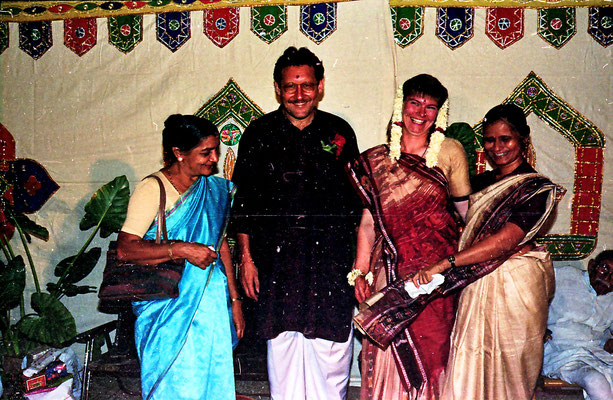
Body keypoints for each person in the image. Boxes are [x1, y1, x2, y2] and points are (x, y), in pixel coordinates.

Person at [404, 103, 564, 400]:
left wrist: (446, 263)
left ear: (523, 139)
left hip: (516, 289)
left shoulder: (537, 189)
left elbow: (506, 241)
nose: (497, 147)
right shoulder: (477, 184)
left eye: (506, 139)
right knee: (470, 359)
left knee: (510, 366)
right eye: (490, 140)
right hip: (477, 284)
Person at [230, 46, 362, 400]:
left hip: (330, 259)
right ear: (277, 88)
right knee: (283, 343)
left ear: (320, 86)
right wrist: (246, 258)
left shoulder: (339, 132)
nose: (299, 95)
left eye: (306, 85)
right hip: (276, 260)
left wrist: (358, 263)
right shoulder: (259, 134)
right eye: (290, 86)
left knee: (331, 344)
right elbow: (244, 203)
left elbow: (357, 204)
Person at [348, 74, 471, 399]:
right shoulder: (376, 159)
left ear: (439, 114)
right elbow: (368, 223)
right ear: (400, 106)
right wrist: (360, 272)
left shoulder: (450, 152)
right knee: (384, 357)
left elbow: (466, 215)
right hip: (389, 270)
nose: (420, 113)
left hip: (435, 276)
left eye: (430, 107)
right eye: (414, 103)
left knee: (433, 357)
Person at [116, 114, 245, 400]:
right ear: (178, 153)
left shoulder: (214, 190)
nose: (214, 159)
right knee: (174, 385)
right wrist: (182, 249)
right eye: (205, 152)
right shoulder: (153, 189)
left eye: (215, 150)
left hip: (211, 308)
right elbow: (126, 249)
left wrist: (235, 302)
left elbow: (220, 242)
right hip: (167, 306)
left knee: (212, 384)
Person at [542, 250, 613, 400]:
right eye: (604, 268)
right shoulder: (562, 277)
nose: (607, 278)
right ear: (591, 266)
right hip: (563, 353)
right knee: (596, 383)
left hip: (600, 354)